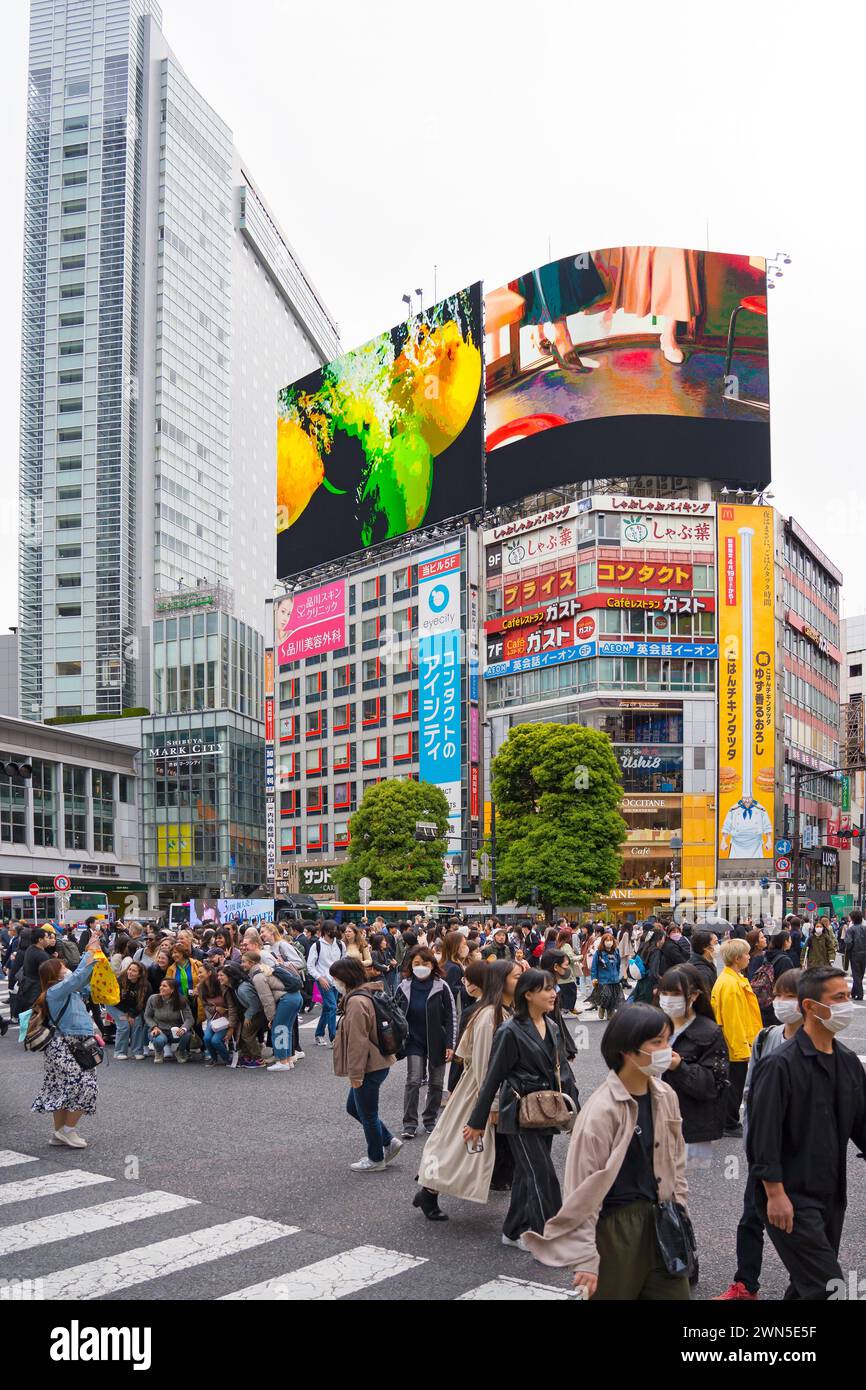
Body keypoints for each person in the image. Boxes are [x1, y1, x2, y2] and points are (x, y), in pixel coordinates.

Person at [523, 1003, 690, 1300]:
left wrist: (681, 1216)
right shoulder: (601, 1110)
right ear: (627, 1051)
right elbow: (581, 1188)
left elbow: (675, 1166)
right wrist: (587, 1258)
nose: (667, 1049)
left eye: (667, 1039)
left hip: (662, 1220)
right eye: (657, 1042)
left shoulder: (666, 1096)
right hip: (616, 1228)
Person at [746, 966, 866, 1300]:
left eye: (848, 995)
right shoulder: (780, 1065)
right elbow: (762, 1137)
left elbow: (862, 1123)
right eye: (839, 998)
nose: (848, 1005)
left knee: (806, 1284)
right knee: (830, 1287)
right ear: (811, 1006)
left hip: (831, 1194)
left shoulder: (847, 1062)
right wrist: (774, 1193)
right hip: (790, 1196)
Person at [464, 969, 580, 1250]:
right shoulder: (509, 1030)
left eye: (553, 988)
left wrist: (577, 1110)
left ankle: (513, 1229)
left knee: (526, 1174)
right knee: (542, 1174)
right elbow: (492, 1078)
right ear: (528, 994)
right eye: (546, 989)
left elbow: (563, 1072)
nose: (553, 993)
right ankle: (548, 1236)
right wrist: (478, 1121)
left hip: (548, 1109)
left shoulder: (552, 1026)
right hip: (518, 1110)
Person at [715, 968, 803, 1300]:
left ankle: (803, 1285)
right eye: (779, 995)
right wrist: (754, 1145)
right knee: (751, 1218)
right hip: (764, 1152)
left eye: (790, 996)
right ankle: (745, 1284)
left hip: (799, 1154)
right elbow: (750, 1095)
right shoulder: (767, 1037)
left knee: (800, 1225)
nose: (782, 1002)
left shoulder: (819, 1044)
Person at [415, 960, 521, 1220]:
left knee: (468, 1148)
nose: (523, 981)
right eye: (518, 977)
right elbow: (487, 1065)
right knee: (461, 1147)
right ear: (501, 982)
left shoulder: (504, 1011)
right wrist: (492, 1104)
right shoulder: (489, 1016)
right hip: (480, 1093)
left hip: (491, 1092)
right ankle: (429, 1189)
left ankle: (429, 1189)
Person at [30, 928, 102, 1147]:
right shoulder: (55, 991)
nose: (66, 968)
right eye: (62, 967)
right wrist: (90, 951)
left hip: (71, 1043)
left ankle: (60, 1132)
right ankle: (68, 1130)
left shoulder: (64, 991)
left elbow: (82, 981)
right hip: (63, 1044)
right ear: (54, 973)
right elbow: (79, 976)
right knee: (85, 1084)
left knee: (62, 1088)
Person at [330, 956, 402, 1172]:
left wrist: (356, 1075)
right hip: (377, 1063)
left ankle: (375, 1158)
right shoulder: (365, 993)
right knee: (354, 1107)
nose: (335, 982)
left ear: (345, 978)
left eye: (336, 979)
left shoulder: (356, 1001)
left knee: (367, 1113)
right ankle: (389, 1141)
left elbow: (357, 1043)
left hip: (369, 1066)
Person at [657, 964, 728, 1164]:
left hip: (688, 1124)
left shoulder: (710, 1032)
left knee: (678, 1184)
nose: (669, 999)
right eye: (665, 993)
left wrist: (679, 1067)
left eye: (676, 993)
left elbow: (714, 1084)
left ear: (694, 996)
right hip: (648, 1118)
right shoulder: (652, 1025)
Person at [396, 946, 456, 1139]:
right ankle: (409, 1123)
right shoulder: (403, 986)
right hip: (413, 1040)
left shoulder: (441, 986)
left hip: (437, 1040)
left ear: (433, 965)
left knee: (437, 1082)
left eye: (425, 963)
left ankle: (430, 1120)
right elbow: (395, 1014)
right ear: (411, 965)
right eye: (416, 964)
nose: (421, 967)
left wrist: (450, 1044)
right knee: (413, 1080)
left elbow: (450, 1016)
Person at [711, 938, 762, 1137]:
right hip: (734, 1044)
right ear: (738, 958)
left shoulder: (732, 979)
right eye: (747, 954)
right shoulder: (731, 984)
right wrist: (743, 1049)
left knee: (733, 1084)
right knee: (734, 1085)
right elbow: (733, 1022)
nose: (749, 956)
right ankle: (730, 1124)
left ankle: (728, 1122)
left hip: (736, 1041)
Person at [307, 920, 345, 1047]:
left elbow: (343, 962)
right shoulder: (316, 945)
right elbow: (310, 966)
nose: (335, 931)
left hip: (337, 982)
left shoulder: (340, 945)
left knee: (328, 1008)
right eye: (332, 929)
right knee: (333, 1007)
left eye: (336, 928)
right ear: (326, 931)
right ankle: (334, 1038)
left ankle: (319, 1033)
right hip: (323, 981)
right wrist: (320, 978)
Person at [144, 978, 194, 1063]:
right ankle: (159, 1052)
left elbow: (190, 1019)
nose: (161, 988)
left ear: (172, 990)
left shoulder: (181, 1001)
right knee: (159, 1040)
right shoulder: (153, 999)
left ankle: (180, 1052)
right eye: (161, 985)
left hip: (175, 1031)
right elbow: (147, 1016)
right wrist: (154, 1027)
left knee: (187, 1034)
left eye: (164, 986)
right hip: (160, 1030)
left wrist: (183, 1028)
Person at [200, 961, 239, 1065]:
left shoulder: (222, 986)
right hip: (214, 1017)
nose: (198, 975)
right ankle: (214, 1058)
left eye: (201, 972)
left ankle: (227, 1059)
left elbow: (232, 1006)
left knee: (216, 1041)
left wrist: (231, 1026)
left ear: (209, 973)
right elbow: (205, 1005)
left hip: (227, 1017)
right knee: (207, 1038)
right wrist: (215, 1009)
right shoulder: (200, 987)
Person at [116, 960, 151, 1060]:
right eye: (129, 969)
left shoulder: (146, 986)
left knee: (138, 1022)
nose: (130, 972)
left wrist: (132, 1015)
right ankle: (120, 1051)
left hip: (135, 1009)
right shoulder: (120, 980)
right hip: (118, 1007)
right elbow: (117, 1000)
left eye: (134, 971)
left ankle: (137, 1051)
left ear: (139, 974)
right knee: (124, 1025)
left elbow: (143, 1004)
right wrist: (127, 1014)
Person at [589, 930, 623, 1021]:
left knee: (613, 997)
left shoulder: (616, 952)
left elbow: (618, 964)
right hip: (603, 979)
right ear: (603, 942)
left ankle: (610, 1012)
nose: (609, 942)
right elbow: (594, 967)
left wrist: (618, 975)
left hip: (614, 979)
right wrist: (594, 978)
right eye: (607, 941)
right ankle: (602, 1007)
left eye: (611, 940)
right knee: (606, 996)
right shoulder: (598, 953)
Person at [687, 929, 719, 996]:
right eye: (716, 943)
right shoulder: (703, 973)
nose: (718, 946)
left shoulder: (707, 963)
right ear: (706, 947)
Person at [441, 930, 470, 1002]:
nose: (466, 947)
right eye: (464, 944)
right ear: (456, 947)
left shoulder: (445, 963)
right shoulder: (454, 968)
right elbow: (451, 991)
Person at [846, 908, 866, 1001]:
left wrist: (848, 950)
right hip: (864, 953)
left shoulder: (851, 930)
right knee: (860, 973)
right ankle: (854, 992)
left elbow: (848, 942)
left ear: (853, 919)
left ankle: (860, 993)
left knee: (856, 974)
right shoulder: (864, 928)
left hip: (854, 954)